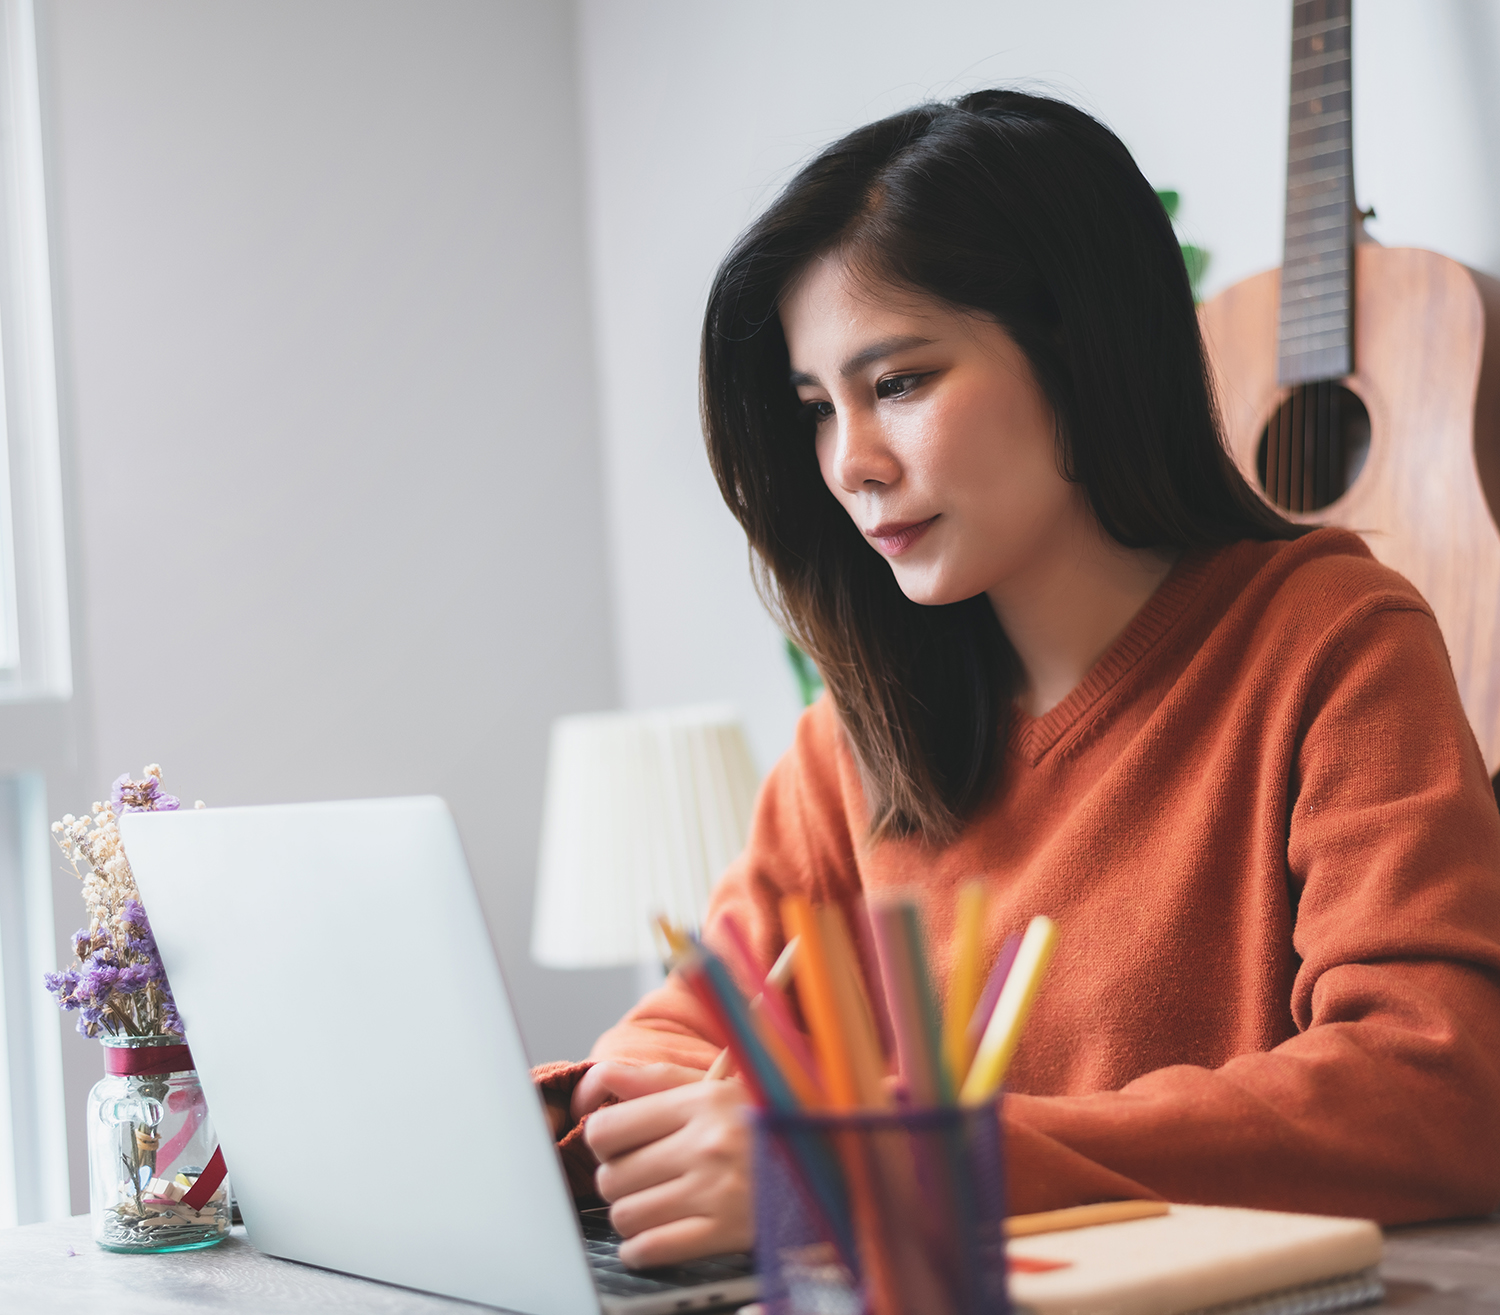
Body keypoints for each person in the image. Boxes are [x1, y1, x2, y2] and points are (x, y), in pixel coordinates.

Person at [532, 89, 1500, 1269]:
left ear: (1082, 351)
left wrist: (894, 1168)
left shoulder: (1329, 641)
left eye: (898, 383)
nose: (852, 464)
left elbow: (1436, 1087)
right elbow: (685, 1029)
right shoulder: (855, 736)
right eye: (814, 409)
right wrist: (671, 1118)